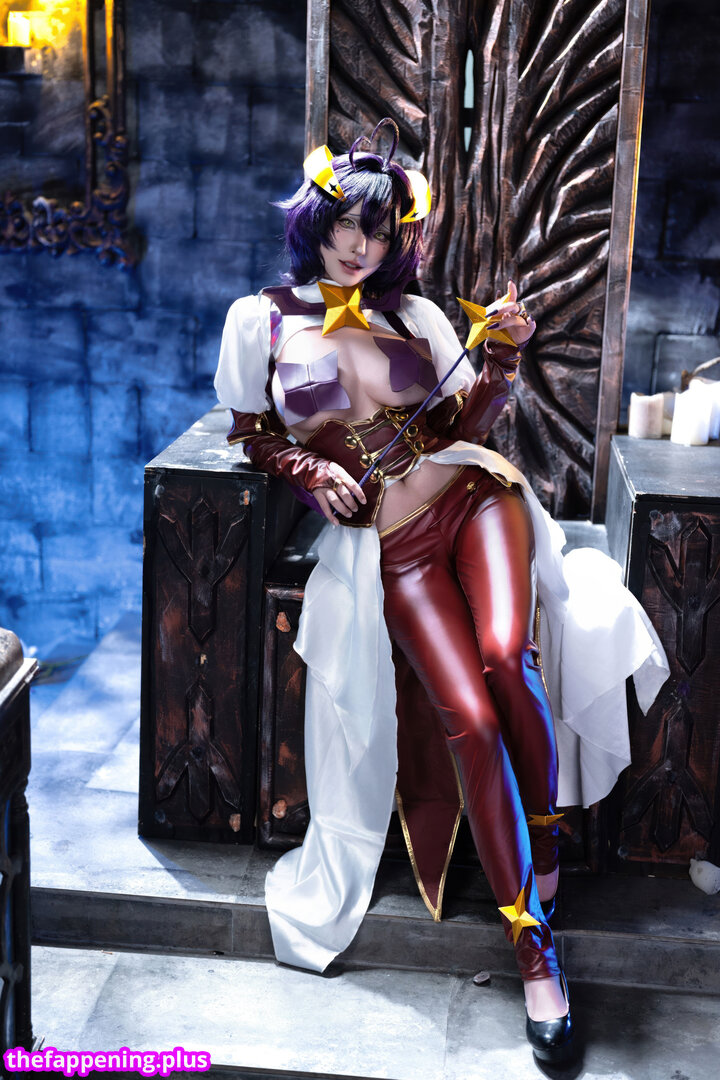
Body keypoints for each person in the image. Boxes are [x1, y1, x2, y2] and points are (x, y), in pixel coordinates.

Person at [214, 119, 668, 1064]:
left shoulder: (416, 317)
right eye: (348, 224)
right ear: (317, 222)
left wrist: (501, 359)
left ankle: (540, 880)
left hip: (475, 498)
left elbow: (466, 424)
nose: (360, 246)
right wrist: (309, 468)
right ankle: (532, 932)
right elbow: (251, 432)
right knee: (468, 714)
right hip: (396, 548)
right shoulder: (260, 319)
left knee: (506, 657)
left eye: (380, 233)